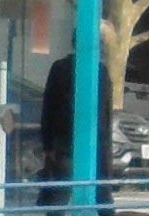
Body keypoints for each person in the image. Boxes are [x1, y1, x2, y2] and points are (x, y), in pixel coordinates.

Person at [37, 31, 113, 215]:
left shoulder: (60, 68)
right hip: (94, 143)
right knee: (101, 196)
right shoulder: (100, 71)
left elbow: (49, 108)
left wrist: (48, 145)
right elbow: (106, 115)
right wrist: (106, 148)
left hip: (65, 142)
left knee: (58, 195)